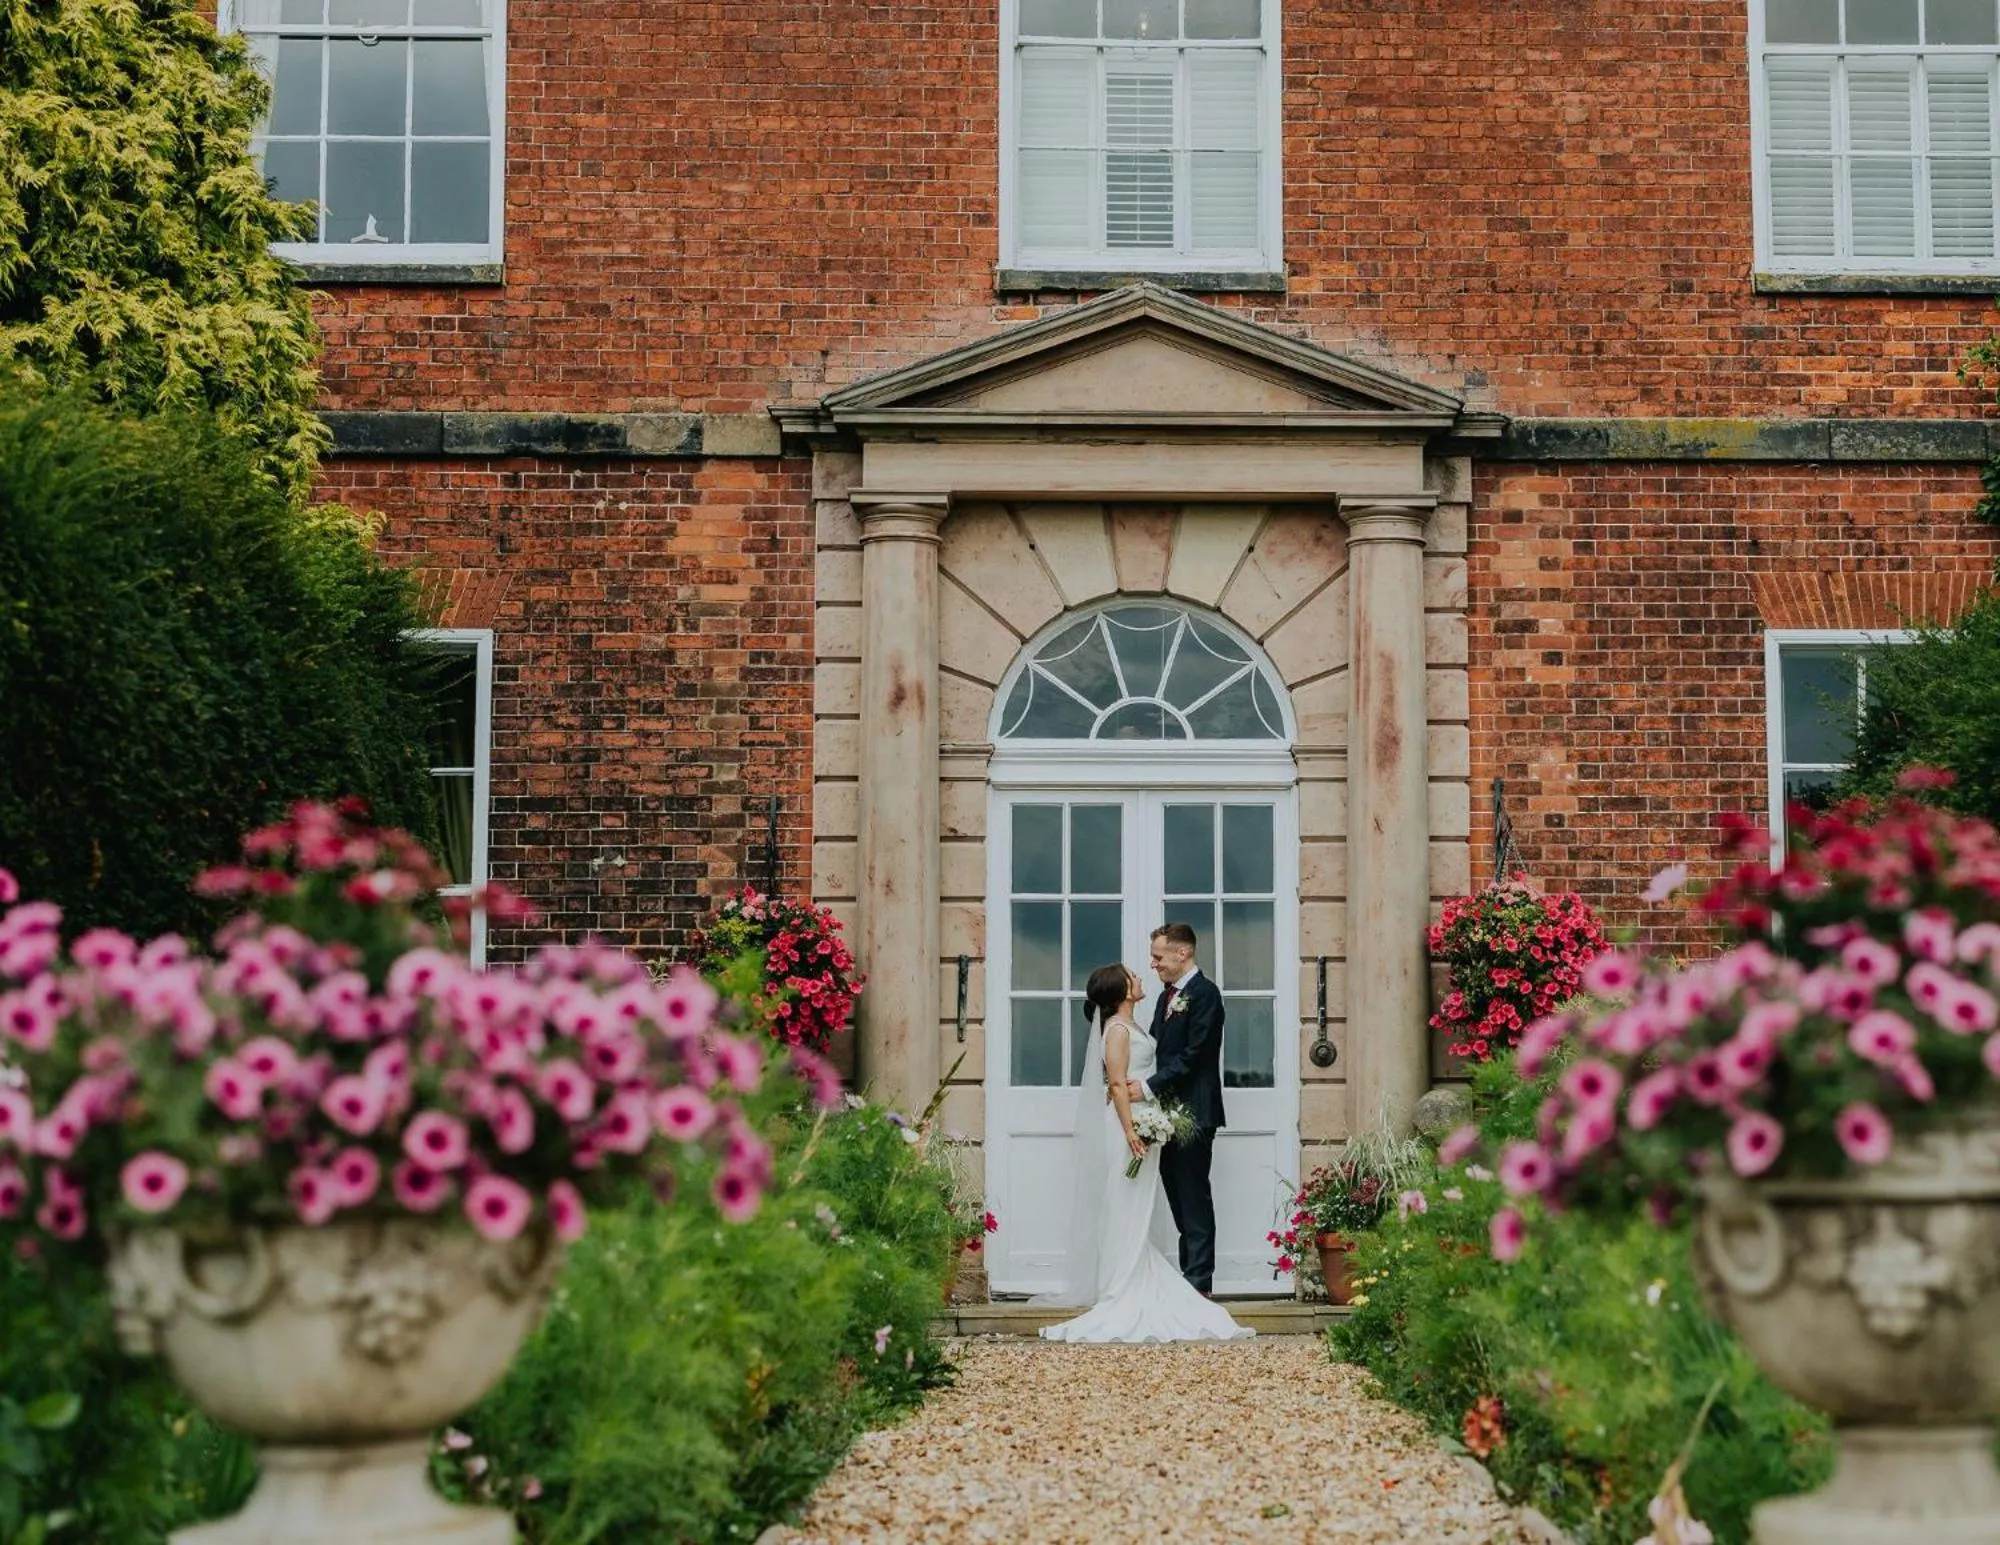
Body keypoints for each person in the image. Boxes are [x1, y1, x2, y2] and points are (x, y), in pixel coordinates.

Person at [1038, 961, 1251, 1344]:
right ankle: (1121, 1286)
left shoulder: (1136, 1022)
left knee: (1137, 1205)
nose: (1141, 976)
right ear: (1121, 991)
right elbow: (1117, 1084)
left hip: (1144, 1123)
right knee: (1125, 1203)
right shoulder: (1117, 1029)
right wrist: (1131, 1130)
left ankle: (1139, 1274)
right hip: (1129, 1128)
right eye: (1132, 975)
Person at [1122, 922, 1226, 1296]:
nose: (1154, 964)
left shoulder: (1205, 994)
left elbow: (1194, 1055)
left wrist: (1147, 1087)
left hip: (1195, 1112)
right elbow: (1157, 1048)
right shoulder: (1168, 997)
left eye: (1158, 956)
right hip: (1166, 1115)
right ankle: (1190, 1279)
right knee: (1178, 1198)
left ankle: (1199, 1285)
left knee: (1194, 1196)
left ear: (1183, 953)